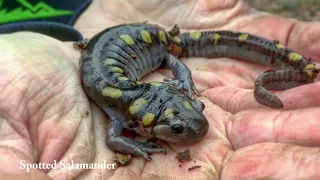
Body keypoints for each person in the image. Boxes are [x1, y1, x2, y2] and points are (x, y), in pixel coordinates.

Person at [1, 0, 320, 179]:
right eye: (179, 128)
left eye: (196, 111)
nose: (198, 128)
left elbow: (117, 135)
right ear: (139, 122)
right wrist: (136, 148)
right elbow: (114, 140)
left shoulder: (133, 104)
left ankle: (297, 65)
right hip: (136, 40)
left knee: (173, 52)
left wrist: (183, 79)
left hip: (149, 40)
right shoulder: (124, 114)